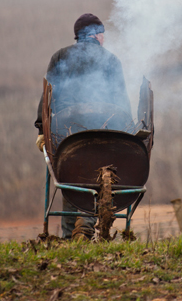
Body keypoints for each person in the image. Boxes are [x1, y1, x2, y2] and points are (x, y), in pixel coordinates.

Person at [35, 13, 132, 239]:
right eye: (103, 35)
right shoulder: (111, 60)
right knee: (97, 174)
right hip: (104, 131)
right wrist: (126, 131)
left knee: (69, 175)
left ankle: (71, 236)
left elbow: (47, 95)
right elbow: (121, 101)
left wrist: (41, 129)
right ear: (96, 35)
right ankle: (86, 226)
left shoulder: (60, 56)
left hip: (66, 133)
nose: (104, 40)